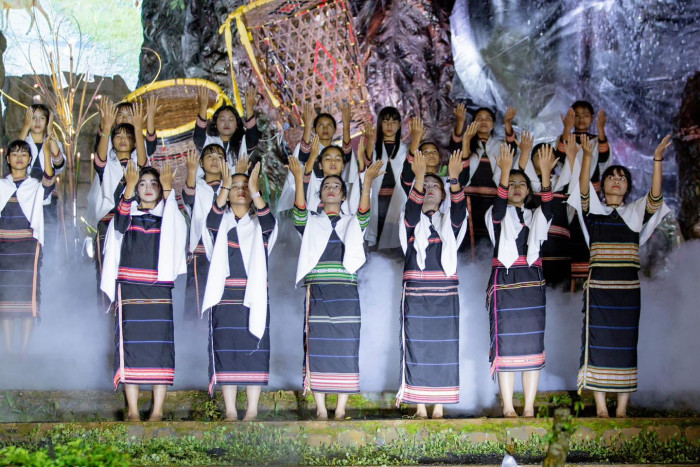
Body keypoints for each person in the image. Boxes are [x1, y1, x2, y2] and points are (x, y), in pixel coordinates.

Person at [567, 134, 671, 418]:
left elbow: (656, 198)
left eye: (622, 178)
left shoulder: (635, 212)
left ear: (628, 187)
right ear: (603, 185)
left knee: (625, 346)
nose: (616, 180)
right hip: (599, 289)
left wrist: (657, 160)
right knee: (598, 344)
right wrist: (587, 158)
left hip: (627, 291)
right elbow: (583, 189)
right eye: (611, 176)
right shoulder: (594, 211)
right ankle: (601, 408)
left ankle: (622, 408)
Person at [289, 155, 383, 420]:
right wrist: (299, 178)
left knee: (346, 346)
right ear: (320, 195)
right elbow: (298, 212)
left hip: (346, 293)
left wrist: (367, 184)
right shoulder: (311, 222)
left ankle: (341, 408)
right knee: (317, 346)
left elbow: (364, 214)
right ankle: (320, 409)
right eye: (326, 186)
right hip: (318, 292)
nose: (331, 189)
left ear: (343, 196)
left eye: (337, 187)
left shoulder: (351, 222)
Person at [101, 162, 187, 422]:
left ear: (161, 188)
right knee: (131, 348)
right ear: (135, 189)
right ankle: (133, 410)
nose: (148, 188)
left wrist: (170, 191)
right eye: (142, 184)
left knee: (160, 347)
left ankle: (158, 410)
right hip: (130, 288)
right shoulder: (127, 212)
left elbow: (179, 231)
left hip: (158, 289)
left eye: (154, 184)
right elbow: (118, 225)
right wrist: (127, 189)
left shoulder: (169, 214)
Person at [201, 161, 278, 421]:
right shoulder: (220, 223)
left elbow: (269, 222)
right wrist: (224, 185)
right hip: (224, 297)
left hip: (253, 296)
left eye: (246, 186)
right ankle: (231, 410)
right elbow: (211, 221)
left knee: (254, 348)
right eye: (235, 187)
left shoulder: (260, 224)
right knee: (228, 350)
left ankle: (253, 410)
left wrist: (255, 190)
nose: (241, 190)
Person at [485, 142, 557, 418]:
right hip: (505, 281)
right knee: (507, 346)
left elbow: (549, 208)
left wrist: (546, 174)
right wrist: (504, 172)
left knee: (532, 345)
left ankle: (528, 407)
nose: (516, 187)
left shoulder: (535, 216)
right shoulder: (496, 214)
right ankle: (507, 407)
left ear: (528, 191)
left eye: (521, 184)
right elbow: (498, 207)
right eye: (511, 183)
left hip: (532, 283)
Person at [396, 149, 467, 419]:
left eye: (434, 186)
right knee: (416, 346)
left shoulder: (450, 222)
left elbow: (460, 210)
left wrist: (454, 179)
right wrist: (417, 178)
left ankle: (439, 406)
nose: (428, 189)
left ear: (443, 195)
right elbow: (412, 211)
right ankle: (420, 407)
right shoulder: (409, 220)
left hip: (445, 294)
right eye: (424, 185)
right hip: (416, 293)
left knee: (444, 347)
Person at [88, 99, 149, 310]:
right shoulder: (107, 165)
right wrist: (106, 128)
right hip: (108, 224)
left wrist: (139, 128)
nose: (123, 139)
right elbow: (99, 159)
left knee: (132, 273)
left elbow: (143, 164)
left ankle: (130, 318)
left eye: (128, 136)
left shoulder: (138, 165)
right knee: (106, 274)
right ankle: (106, 320)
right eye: (118, 135)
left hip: (133, 225)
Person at [182, 145, 249, 320]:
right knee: (199, 299)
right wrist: (191, 171)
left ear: (225, 163)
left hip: (227, 249)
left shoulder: (231, 187)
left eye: (219, 157)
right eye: (209, 156)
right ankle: (195, 335)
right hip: (201, 253)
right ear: (201, 163)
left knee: (225, 296)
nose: (214, 160)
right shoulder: (197, 186)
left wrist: (239, 176)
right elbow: (188, 197)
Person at [0, 140, 55, 353]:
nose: (19, 158)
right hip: (3, 249)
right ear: (7, 159)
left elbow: (49, 182)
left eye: (24, 154)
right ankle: (8, 351)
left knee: (27, 299)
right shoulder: (2, 186)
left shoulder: (34, 186)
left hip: (28, 249)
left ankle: (23, 353)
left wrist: (47, 153)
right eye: (14, 154)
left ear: (30, 159)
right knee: (5, 300)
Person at [555, 101, 612, 288]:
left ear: (592, 119)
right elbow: (559, 159)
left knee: (589, 237)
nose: (581, 119)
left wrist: (601, 130)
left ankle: (589, 284)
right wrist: (566, 129)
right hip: (568, 198)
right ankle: (568, 286)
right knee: (569, 237)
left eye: (586, 115)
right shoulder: (566, 138)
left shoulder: (596, 140)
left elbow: (604, 160)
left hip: (591, 198)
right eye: (577, 115)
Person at [451, 105, 517, 255]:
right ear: (473, 123)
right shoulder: (467, 142)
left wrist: (508, 123)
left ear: (493, 124)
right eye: (479, 118)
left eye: (488, 119)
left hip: (493, 199)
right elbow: (455, 148)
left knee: (492, 232)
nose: (483, 121)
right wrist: (460, 123)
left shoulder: (500, 145)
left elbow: (512, 149)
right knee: (468, 234)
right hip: (469, 200)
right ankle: (468, 265)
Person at [276, 100, 355, 213]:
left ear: (334, 129)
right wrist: (307, 126)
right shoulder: (306, 147)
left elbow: (348, 159)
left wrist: (346, 126)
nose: (325, 129)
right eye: (320, 125)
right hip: (310, 196)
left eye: (329, 125)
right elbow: (303, 159)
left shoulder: (337, 152)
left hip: (334, 197)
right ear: (314, 129)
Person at [19, 104, 65, 250]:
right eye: (33, 118)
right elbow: (15, 157)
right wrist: (25, 128)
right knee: (27, 242)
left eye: (42, 118)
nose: (38, 122)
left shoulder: (54, 143)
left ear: (48, 121)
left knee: (48, 244)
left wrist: (50, 132)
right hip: (27, 200)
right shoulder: (24, 141)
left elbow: (59, 164)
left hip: (48, 202)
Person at [360, 107, 407, 249]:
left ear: (399, 125)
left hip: (397, 198)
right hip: (378, 198)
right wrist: (370, 141)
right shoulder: (375, 147)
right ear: (380, 124)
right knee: (377, 231)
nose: (389, 125)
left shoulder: (404, 149)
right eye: (386, 121)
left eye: (393, 122)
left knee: (395, 234)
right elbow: (368, 164)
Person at [193, 86, 260, 167]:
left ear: (237, 125)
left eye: (231, 119)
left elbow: (253, 139)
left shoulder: (241, 145)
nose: (226, 123)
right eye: (222, 119)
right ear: (215, 124)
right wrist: (203, 107)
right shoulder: (209, 142)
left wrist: (249, 108)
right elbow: (198, 137)